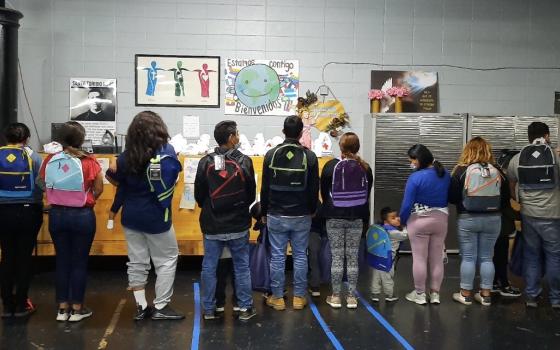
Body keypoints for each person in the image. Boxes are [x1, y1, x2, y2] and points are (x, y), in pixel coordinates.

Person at [105, 111, 184, 321]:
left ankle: (141, 307)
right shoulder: (167, 151)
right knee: (166, 259)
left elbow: (114, 179)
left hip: (131, 216)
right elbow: (172, 180)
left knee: (137, 261)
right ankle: (161, 306)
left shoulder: (125, 156)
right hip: (157, 216)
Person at [38, 121, 103, 322]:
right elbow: (99, 187)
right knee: (79, 262)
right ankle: (77, 309)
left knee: (62, 261)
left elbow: (41, 183)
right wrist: (88, 197)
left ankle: (62, 308)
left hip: (57, 215)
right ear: (81, 140)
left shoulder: (50, 159)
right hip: (83, 215)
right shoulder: (89, 161)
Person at [195, 120, 257, 321]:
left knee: (209, 266)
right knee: (241, 266)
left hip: (212, 224)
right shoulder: (245, 161)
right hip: (238, 224)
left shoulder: (205, 162)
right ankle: (245, 308)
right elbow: (250, 195)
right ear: (231, 138)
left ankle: (209, 309)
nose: (238, 137)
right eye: (237, 134)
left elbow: (199, 195)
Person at [261, 115, 319, 311]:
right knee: (301, 255)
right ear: (302, 132)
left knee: (277, 256)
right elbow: (313, 188)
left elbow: (265, 187)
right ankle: (299, 298)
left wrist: (263, 211)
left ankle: (277, 298)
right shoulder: (309, 156)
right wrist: (312, 210)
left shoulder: (271, 154)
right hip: (302, 214)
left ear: (283, 131)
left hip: (276, 213)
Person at [507, 122, 560, 308]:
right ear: (547, 135)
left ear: (528, 136)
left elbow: (511, 184)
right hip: (553, 214)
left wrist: (520, 201)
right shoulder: (555, 156)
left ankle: (531, 296)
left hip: (528, 214)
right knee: (554, 256)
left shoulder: (518, 158)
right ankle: (556, 299)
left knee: (532, 255)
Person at [449, 137, 506, 306]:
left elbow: (452, 196)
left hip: (468, 218)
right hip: (493, 219)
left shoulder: (461, 170)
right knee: (487, 257)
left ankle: (465, 294)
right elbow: (505, 198)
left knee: (468, 257)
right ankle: (485, 294)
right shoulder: (497, 170)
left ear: (468, 150)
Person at [320, 132, 373, 309]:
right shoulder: (365, 168)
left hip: (334, 216)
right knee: (352, 257)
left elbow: (324, 193)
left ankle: (335, 296)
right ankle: (351, 297)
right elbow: (367, 194)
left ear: (341, 147)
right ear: (357, 147)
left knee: (337, 257)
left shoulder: (330, 166)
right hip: (356, 217)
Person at [0, 123, 43, 318]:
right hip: (28, 211)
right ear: (26, 139)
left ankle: (7, 305)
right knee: (24, 258)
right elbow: (42, 183)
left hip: (3, 211)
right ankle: (22, 304)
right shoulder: (34, 157)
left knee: (7, 256)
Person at [400, 144, 450, 305]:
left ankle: (420, 294)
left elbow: (407, 205)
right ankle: (435, 294)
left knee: (419, 259)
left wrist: (401, 221)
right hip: (441, 220)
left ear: (419, 160)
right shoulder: (445, 174)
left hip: (418, 221)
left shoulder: (415, 178)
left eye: (412, 161)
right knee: (436, 259)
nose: (411, 164)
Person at [492, 150, 521, 297]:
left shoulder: (494, 172)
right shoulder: (502, 177)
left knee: (496, 254)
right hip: (500, 222)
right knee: (501, 254)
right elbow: (505, 204)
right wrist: (519, 215)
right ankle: (503, 284)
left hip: (493, 220)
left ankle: (494, 283)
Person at [370, 207, 408, 303]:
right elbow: (406, 235)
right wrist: (408, 226)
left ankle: (375, 294)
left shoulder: (379, 229)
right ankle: (389, 295)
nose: (398, 218)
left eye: (397, 216)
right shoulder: (393, 232)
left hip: (377, 256)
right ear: (386, 220)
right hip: (388, 259)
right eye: (393, 217)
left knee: (376, 275)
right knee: (387, 276)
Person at [307, 201, 325, 298]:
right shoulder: (318, 204)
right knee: (314, 260)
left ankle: (299, 289)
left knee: (299, 259)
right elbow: (322, 221)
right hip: (315, 233)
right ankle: (315, 288)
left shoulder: (301, 198)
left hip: (299, 232)